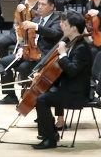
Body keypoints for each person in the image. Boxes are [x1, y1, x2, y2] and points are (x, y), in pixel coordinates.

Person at [32, 10, 94, 149]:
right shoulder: (71, 43)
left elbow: (72, 70)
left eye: (64, 24)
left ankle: (50, 139)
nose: (61, 26)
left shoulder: (82, 47)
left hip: (76, 93)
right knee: (40, 94)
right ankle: (50, 133)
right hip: (67, 87)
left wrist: (63, 55)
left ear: (73, 28)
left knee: (42, 100)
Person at [0, 0, 60, 106]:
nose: (39, 7)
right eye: (39, 4)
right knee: (3, 62)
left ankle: (27, 96)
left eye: (43, 4)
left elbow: (54, 33)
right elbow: (27, 38)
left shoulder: (56, 20)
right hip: (28, 52)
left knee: (24, 67)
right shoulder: (35, 20)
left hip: (43, 55)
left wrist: (36, 27)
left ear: (52, 6)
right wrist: (21, 49)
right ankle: (10, 95)